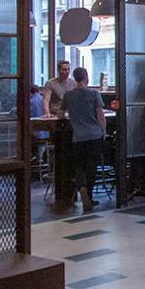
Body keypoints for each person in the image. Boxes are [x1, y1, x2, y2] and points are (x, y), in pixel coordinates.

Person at [62, 66, 107, 212]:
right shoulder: (94, 93)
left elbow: (60, 113)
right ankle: (90, 195)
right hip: (94, 135)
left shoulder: (68, 95)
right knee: (92, 166)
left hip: (78, 137)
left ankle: (81, 187)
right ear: (86, 77)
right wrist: (104, 131)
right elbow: (100, 115)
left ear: (74, 78)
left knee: (79, 165)